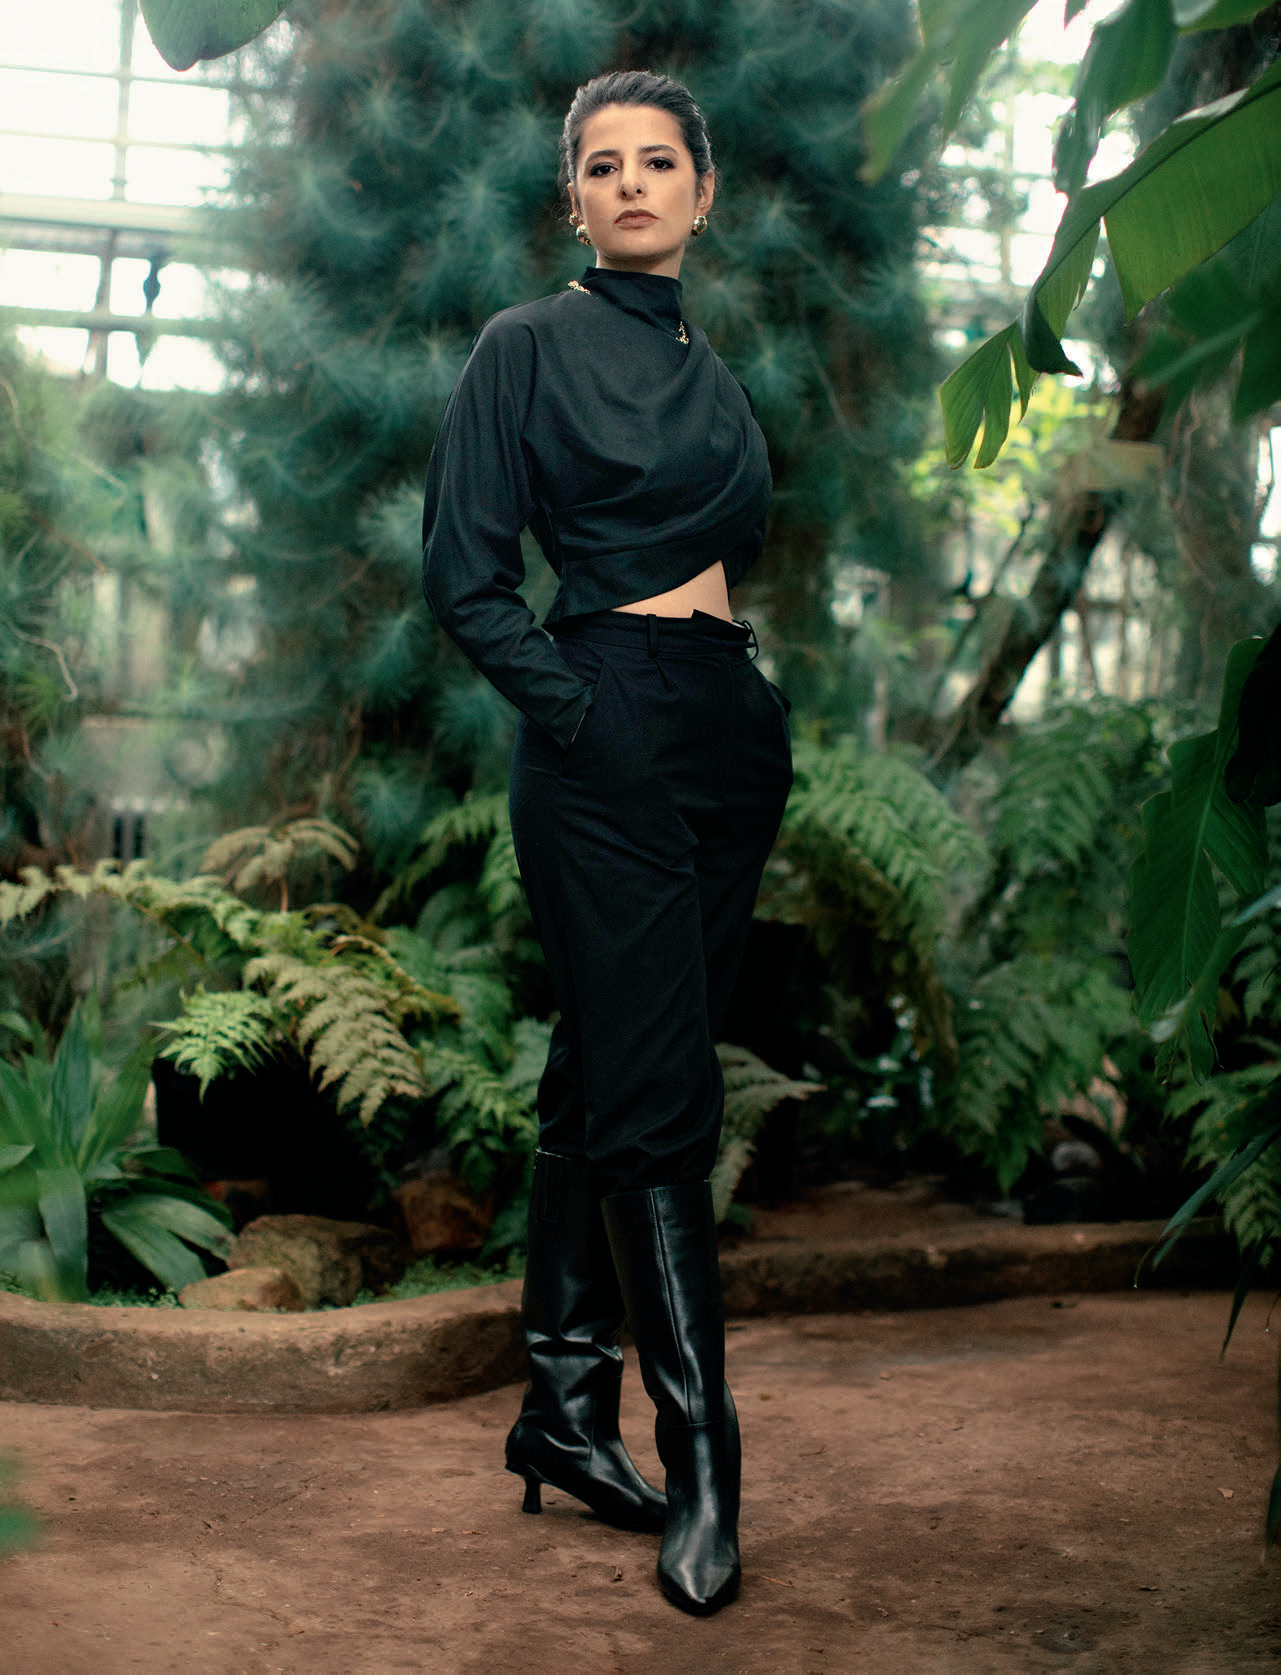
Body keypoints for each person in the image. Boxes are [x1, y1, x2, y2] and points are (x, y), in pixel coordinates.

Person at [421, 68, 792, 1618]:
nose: (630, 182)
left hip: (724, 726)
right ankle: (703, 1465)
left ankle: (564, 1411)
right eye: (600, 165)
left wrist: (733, 711)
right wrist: (582, 714)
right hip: (609, 728)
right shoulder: (525, 346)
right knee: (657, 1097)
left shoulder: (714, 370)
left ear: (702, 192)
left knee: (608, 1067)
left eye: (657, 161)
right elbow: (464, 575)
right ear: (570, 198)